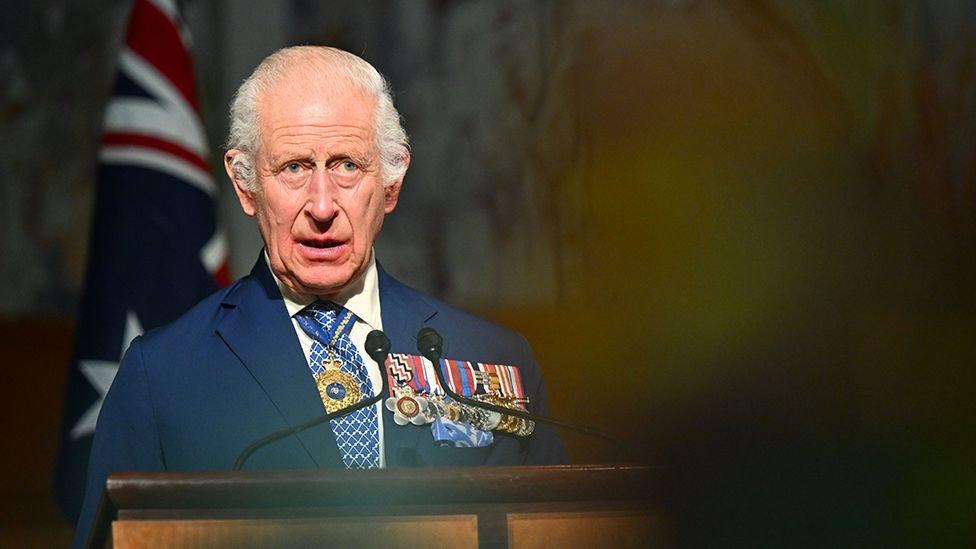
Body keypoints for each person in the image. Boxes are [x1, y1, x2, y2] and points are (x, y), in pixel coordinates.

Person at [72, 46, 564, 547]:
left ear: (391, 184)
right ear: (245, 187)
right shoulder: (162, 377)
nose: (323, 206)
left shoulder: (495, 357)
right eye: (293, 168)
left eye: (348, 165)